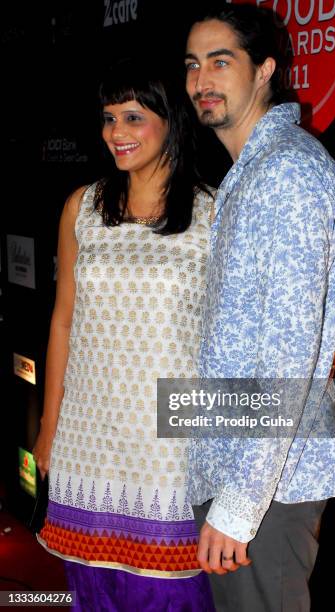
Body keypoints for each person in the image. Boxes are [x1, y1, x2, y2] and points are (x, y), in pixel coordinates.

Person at [184, 4, 335, 611]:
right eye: (193, 64)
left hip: (268, 488)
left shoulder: (287, 173)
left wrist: (237, 505)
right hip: (246, 473)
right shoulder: (252, 171)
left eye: (220, 61)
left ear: (265, 70)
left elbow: (286, 356)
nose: (201, 79)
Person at [33, 58, 215, 611]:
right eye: (109, 119)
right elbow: (63, 319)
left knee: (169, 593)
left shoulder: (214, 212)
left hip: (168, 447)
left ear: (171, 120)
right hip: (86, 440)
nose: (117, 133)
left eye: (133, 118)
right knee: (93, 591)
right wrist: (48, 427)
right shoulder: (82, 207)